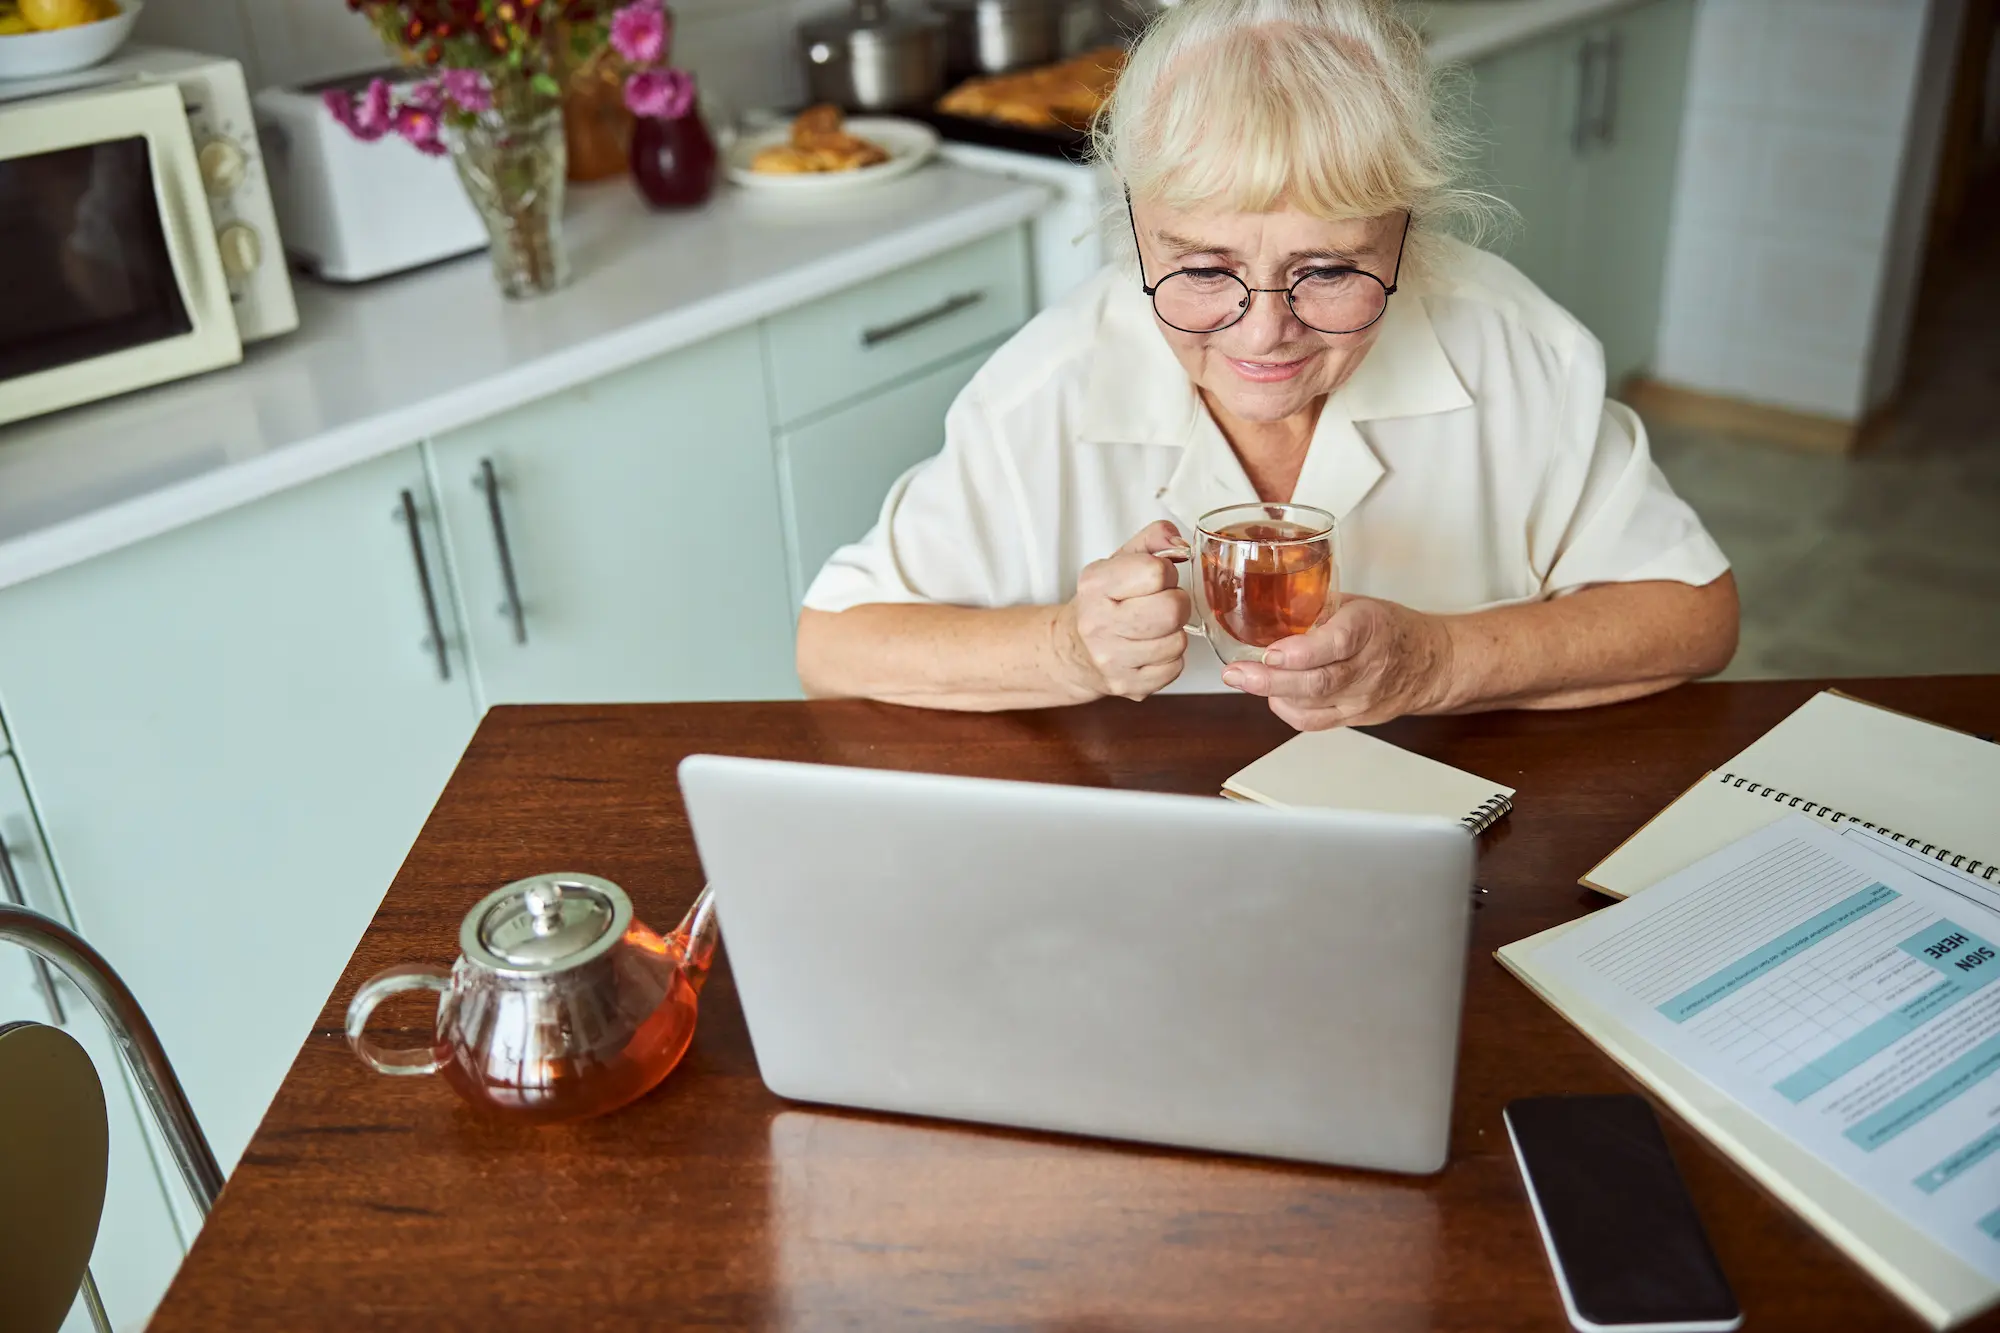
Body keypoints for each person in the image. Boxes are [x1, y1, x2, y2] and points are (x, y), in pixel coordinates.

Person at [796, 0, 1738, 732]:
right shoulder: (1045, 390)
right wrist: (1068, 649)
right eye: (1204, 269)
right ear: (1134, 226)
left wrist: (1441, 661)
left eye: (1329, 270)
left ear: (1407, 233)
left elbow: (1693, 614)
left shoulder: (1517, 350)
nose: (1262, 337)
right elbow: (836, 643)